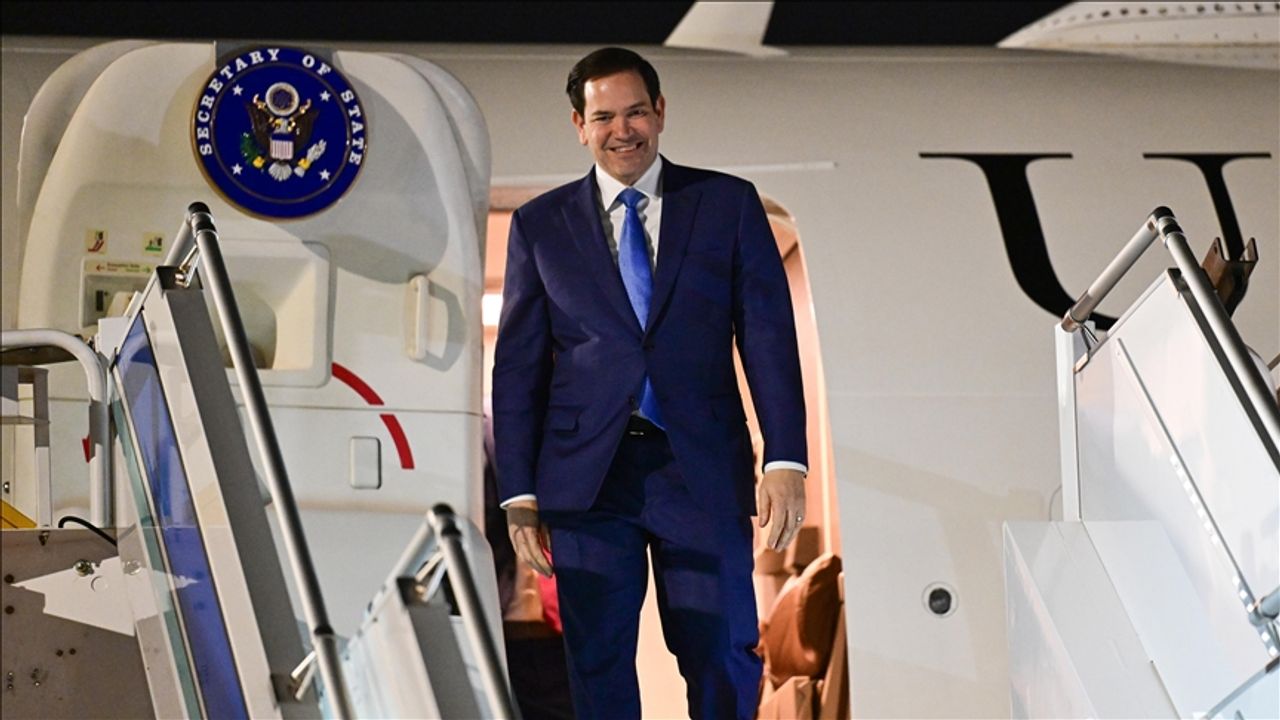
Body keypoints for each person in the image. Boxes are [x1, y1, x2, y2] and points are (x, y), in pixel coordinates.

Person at [492, 46, 808, 720]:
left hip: (700, 468)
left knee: (722, 652)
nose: (622, 130)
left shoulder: (726, 204)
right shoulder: (539, 225)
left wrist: (785, 458)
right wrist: (519, 492)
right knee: (598, 665)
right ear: (579, 125)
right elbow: (518, 366)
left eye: (635, 112)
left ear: (660, 112)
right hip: (586, 479)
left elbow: (767, 336)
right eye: (604, 117)